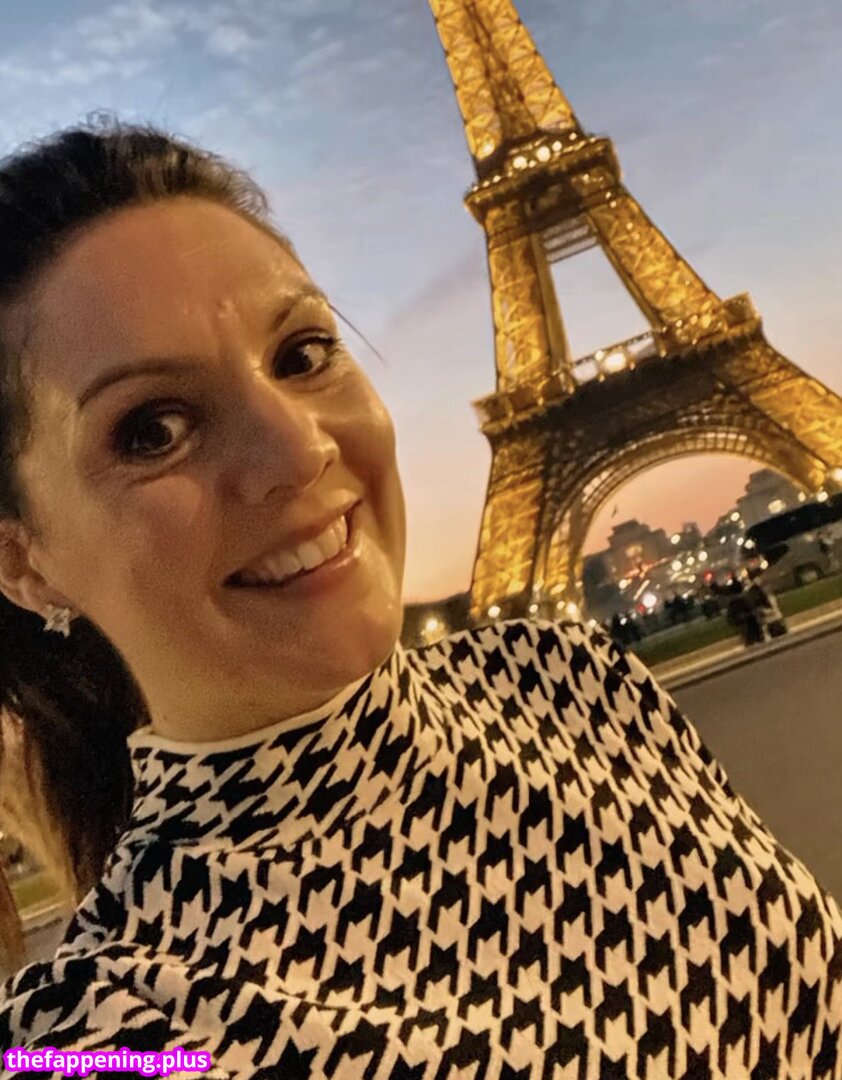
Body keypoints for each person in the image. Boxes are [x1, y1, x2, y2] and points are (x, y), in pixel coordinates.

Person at [0, 121, 838, 1079]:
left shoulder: (566, 676)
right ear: (26, 564)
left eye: (303, 353)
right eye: (153, 429)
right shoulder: (100, 1039)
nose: (300, 448)